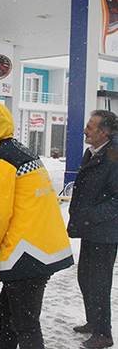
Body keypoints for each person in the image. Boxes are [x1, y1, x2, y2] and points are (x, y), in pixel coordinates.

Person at [0, 101, 73, 349]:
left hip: (27, 250)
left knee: (24, 322)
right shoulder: (17, 151)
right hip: (42, 243)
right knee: (9, 311)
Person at [67, 110, 118, 349]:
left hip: (104, 232)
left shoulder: (114, 156)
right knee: (85, 278)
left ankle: (103, 333)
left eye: (90, 127)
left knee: (99, 282)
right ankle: (93, 321)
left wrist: (91, 216)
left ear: (104, 132)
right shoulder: (93, 151)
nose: (85, 130)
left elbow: (116, 200)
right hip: (90, 229)